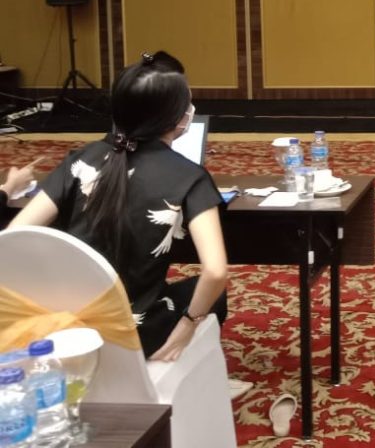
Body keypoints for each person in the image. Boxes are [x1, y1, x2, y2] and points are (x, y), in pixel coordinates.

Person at [7, 51, 228, 362]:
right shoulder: (189, 176)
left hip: (67, 325)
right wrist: (188, 324)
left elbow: (14, 237)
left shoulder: (83, 159)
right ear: (177, 117)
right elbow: (215, 272)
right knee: (213, 296)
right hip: (135, 333)